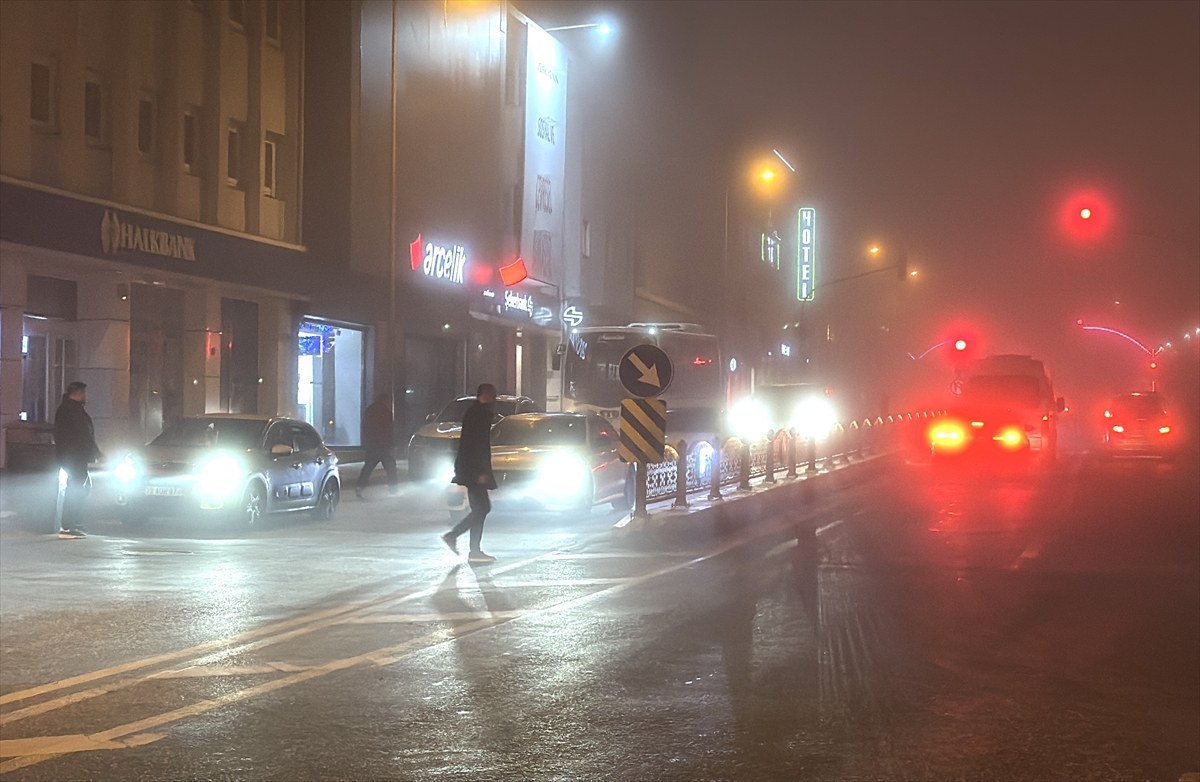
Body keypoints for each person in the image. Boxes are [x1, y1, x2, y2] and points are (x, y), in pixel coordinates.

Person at [441, 383, 498, 564]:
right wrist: (479, 472)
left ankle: (472, 548)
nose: (495, 398)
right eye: (492, 394)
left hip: (470, 468)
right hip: (473, 470)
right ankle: (456, 537)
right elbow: (475, 445)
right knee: (482, 508)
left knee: (480, 509)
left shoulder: (478, 413)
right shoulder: (479, 414)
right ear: (485, 395)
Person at [53, 381, 101, 539]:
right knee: (77, 488)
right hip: (74, 456)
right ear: (79, 393)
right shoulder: (72, 410)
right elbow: (83, 434)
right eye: (84, 393)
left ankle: (73, 523)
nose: (86, 396)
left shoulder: (70, 409)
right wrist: (96, 452)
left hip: (73, 456)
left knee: (81, 487)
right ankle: (70, 524)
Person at [356, 392, 399, 500]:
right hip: (384, 446)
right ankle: (393, 490)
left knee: (368, 467)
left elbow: (365, 427)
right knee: (391, 468)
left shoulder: (370, 411)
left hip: (372, 445)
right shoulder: (386, 412)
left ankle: (360, 487)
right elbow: (389, 430)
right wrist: (391, 444)